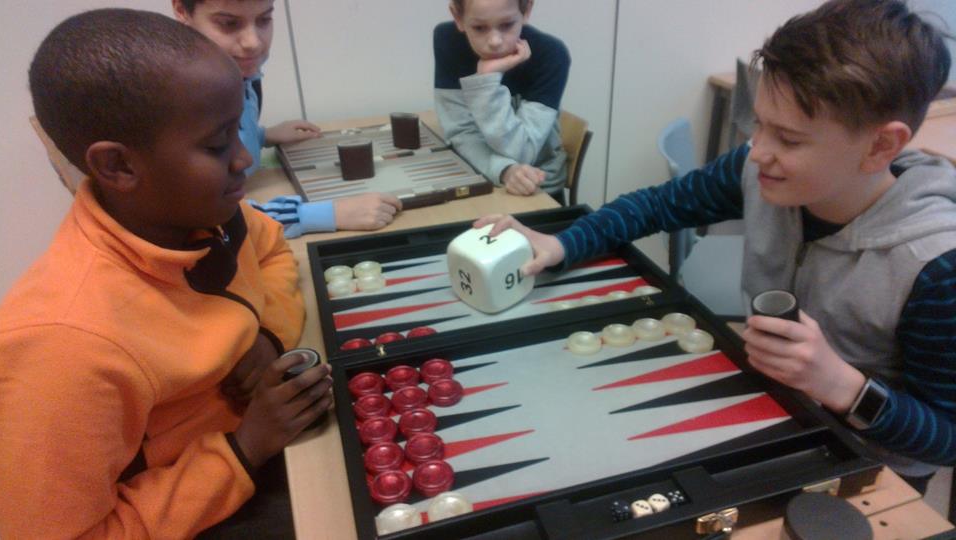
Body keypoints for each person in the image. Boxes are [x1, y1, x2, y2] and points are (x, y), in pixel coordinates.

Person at [477, 0, 956, 492]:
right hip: (779, 407)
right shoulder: (761, 168)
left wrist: (841, 385)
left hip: (872, 469)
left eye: (789, 139)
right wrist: (563, 244)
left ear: (880, 146)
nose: (758, 151)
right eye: (760, 123)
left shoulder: (937, 266)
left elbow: (945, 441)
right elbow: (656, 206)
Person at [0, 9, 333, 538]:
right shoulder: (64, 347)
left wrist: (267, 336)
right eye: (217, 145)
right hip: (201, 503)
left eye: (239, 132)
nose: (243, 160)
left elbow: (271, 252)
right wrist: (244, 448)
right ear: (118, 166)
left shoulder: (206, 213)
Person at [173, 0, 402, 234]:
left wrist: (262, 136)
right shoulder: (177, 98)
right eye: (229, 23)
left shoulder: (240, 71)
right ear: (181, 10)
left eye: (264, 20)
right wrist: (323, 214)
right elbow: (201, 218)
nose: (253, 42)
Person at [434, 0, 570, 199]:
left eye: (507, 25)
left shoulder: (551, 54)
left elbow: (521, 153)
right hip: (478, 173)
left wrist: (486, 81)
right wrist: (505, 170)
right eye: (479, 28)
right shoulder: (448, 41)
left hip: (537, 187)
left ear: (527, 10)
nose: (495, 41)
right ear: (458, 17)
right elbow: (461, 132)